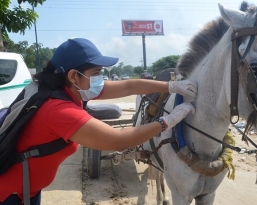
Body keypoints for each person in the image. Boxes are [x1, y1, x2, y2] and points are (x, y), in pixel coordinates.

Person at [0, 38, 197, 205]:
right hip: (9, 194)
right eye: (96, 73)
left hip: (26, 188)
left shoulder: (65, 87)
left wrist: (171, 86)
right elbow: (118, 140)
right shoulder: (57, 109)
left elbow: (128, 86)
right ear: (73, 75)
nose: (100, 79)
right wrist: (167, 121)